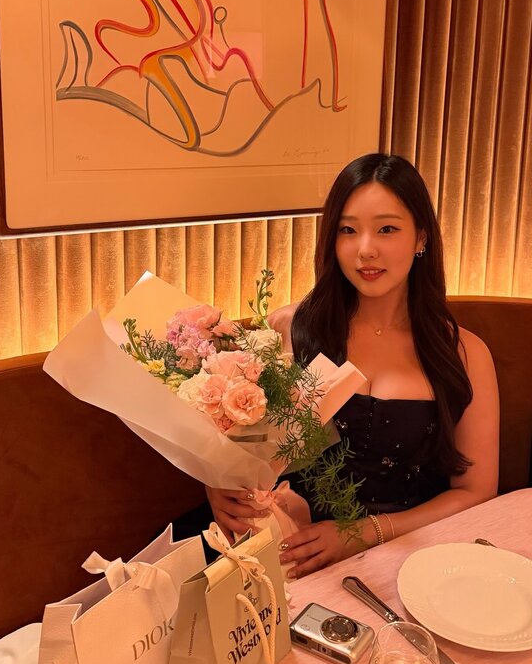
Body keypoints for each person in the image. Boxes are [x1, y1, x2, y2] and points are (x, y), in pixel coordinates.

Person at [206, 153, 499, 577]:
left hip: (411, 563)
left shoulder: (465, 354)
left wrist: (364, 533)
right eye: (348, 230)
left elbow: (476, 491)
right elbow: (240, 445)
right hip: (290, 553)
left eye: (386, 229)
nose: (365, 250)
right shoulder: (290, 330)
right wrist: (220, 486)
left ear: (421, 237)